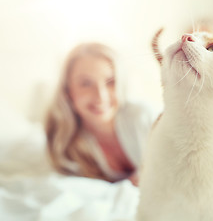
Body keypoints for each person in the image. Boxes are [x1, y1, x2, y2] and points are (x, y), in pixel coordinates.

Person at [45, 43, 157, 185]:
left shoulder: (143, 117)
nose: (101, 96)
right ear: (67, 91)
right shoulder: (65, 144)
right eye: (86, 83)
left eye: (110, 82)